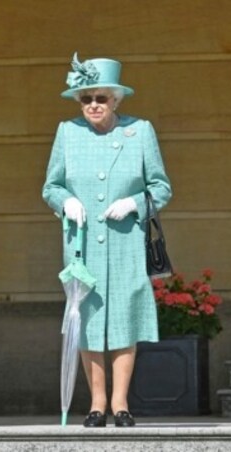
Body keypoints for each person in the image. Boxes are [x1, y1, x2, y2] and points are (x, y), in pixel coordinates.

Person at [42, 53, 172, 427]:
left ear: (116, 99)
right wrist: (65, 201)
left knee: (125, 319)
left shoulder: (140, 131)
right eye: (86, 99)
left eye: (101, 98)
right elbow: (51, 186)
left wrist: (133, 203)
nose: (94, 105)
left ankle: (121, 402)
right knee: (87, 320)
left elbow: (161, 188)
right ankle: (97, 402)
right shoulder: (67, 133)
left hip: (126, 241)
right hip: (81, 243)